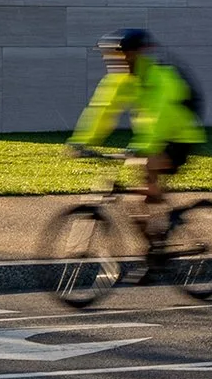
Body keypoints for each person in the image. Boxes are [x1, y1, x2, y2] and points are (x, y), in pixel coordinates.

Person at [69, 28, 202, 256]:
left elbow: (162, 114)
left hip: (178, 136)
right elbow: (102, 111)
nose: (114, 60)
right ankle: (153, 247)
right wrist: (81, 141)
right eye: (110, 56)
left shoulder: (161, 76)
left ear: (136, 54)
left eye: (120, 55)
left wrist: (144, 146)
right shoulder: (119, 80)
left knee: (147, 182)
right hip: (150, 140)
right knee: (134, 197)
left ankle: (169, 236)